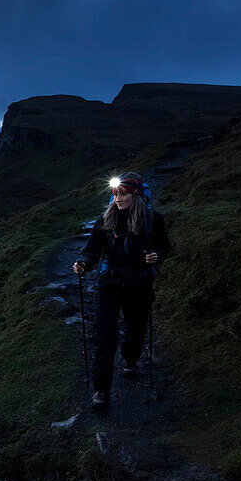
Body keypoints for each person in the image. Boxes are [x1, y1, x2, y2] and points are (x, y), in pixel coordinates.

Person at [72, 172, 172, 408]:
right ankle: (101, 390)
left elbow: (166, 247)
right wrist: (84, 264)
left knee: (135, 327)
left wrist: (157, 257)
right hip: (110, 282)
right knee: (105, 335)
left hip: (139, 283)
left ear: (135, 195)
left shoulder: (153, 220)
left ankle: (130, 358)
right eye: (115, 193)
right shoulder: (105, 219)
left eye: (123, 194)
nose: (117, 198)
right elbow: (93, 249)